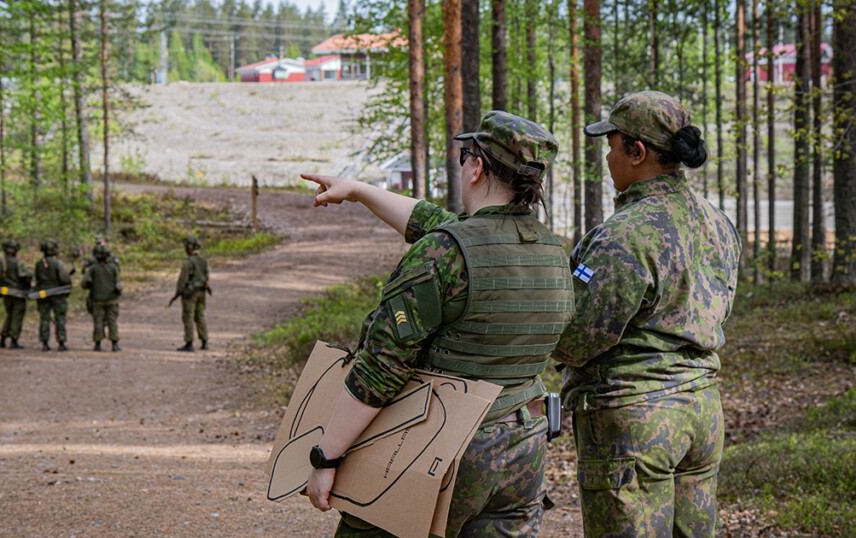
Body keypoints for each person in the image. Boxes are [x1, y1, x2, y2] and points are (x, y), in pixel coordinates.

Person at [301, 111, 573, 537]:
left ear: (477, 166)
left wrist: (326, 458)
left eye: (467, 156)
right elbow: (440, 224)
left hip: (439, 446)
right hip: (522, 449)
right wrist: (357, 191)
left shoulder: (444, 254)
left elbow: (381, 369)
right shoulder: (551, 251)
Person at [552, 90, 741, 537]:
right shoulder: (717, 222)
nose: (607, 156)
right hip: (702, 415)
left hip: (634, 423)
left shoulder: (625, 234)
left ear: (636, 152)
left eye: (612, 145)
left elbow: (575, 339)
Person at [81, 244, 122, 352]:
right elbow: (118, 282)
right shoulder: (113, 267)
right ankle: (115, 344)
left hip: (97, 299)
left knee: (98, 321)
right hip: (112, 299)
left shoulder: (92, 269)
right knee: (112, 321)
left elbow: (84, 283)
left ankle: (98, 344)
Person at [34, 239, 73, 352]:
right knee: (60, 318)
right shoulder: (58, 263)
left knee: (44, 318)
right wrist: (67, 291)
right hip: (57, 295)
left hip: (42, 294)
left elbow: (37, 278)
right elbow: (65, 279)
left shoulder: (38, 263)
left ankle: (45, 343)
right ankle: (61, 342)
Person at [172, 236, 210, 352]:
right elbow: (206, 276)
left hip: (190, 293)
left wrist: (177, 293)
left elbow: (182, 280)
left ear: (188, 248)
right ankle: (204, 341)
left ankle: (189, 342)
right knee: (200, 316)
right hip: (201, 291)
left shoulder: (188, 263)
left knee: (188, 317)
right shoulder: (202, 261)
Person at [0, 238, 32, 350]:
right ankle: (14, 340)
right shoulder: (17, 263)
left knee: (9, 315)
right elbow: (25, 275)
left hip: (6, 292)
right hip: (18, 293)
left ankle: (3, 338)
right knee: (17, 316)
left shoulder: (0, 262)